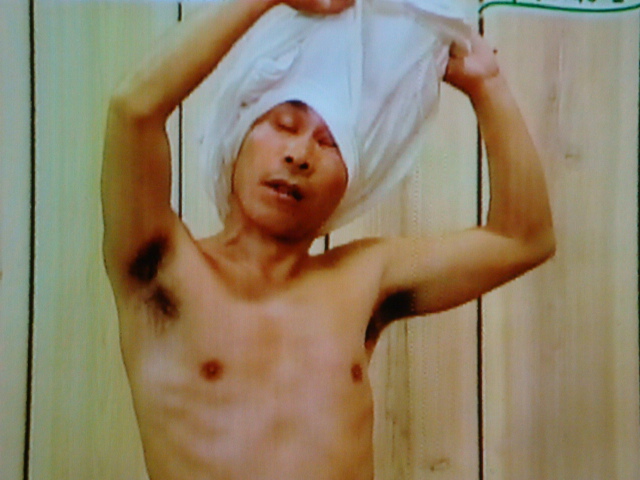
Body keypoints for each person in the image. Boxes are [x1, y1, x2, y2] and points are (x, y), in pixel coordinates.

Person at [101, 0, 555, 478]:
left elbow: (524, 238)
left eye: (330, 142)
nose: (299, 155)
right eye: (284, 125)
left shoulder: (363, 279)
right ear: (236, 138)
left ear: (352, 183)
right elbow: (134, 110)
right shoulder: (162, 269)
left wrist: (488, 85)